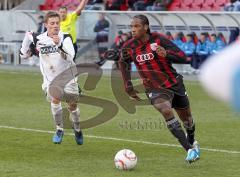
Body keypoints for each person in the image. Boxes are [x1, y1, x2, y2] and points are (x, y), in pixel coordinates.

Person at [119, 15, 200, 163]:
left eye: (136, 26)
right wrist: (128, 86)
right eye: (131, 27)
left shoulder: (159, 40)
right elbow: (122, 62)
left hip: (174, 83)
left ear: (146, 27)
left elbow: (183, 57)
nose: (133, 30)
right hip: (153, 87)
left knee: (187, 119)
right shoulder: (129, 46)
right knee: (165, 109)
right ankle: (189, 149)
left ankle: (192, 141)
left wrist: (167, 53)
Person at [19, 11, 83, 145]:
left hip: (68, 77)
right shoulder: (39, 38)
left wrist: (59, 45)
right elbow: (28, 35)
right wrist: (23, 52)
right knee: (55, 99)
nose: (55, 26)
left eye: (57, 23)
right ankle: (59, 129)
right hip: (51, 79)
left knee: (72, 106)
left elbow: (70, 57)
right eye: (52, 23)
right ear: (46, 25)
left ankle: (77, 128)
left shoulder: (65, 37)